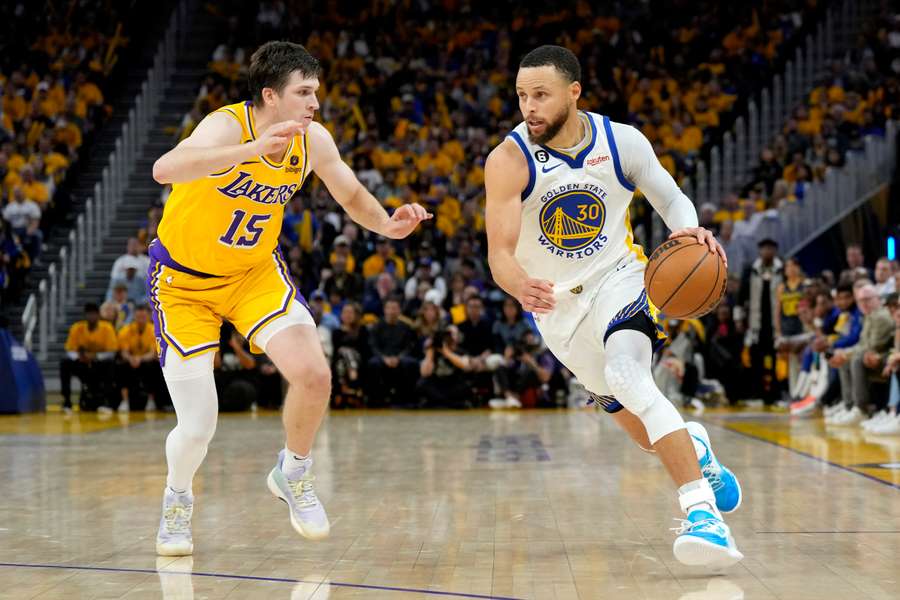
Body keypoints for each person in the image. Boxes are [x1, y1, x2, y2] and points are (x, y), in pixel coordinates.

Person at [150, 41, 430, 556]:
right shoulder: (226, 126)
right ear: (269, 96)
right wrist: (251, 151)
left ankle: (293, 471)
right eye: (304, 93)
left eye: (315, 92)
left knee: (315, 374)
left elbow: (349, 195)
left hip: (254, 274)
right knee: (197, 427)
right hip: (184, 284)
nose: (314, 104)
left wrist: (389, 225)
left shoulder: (313, 140)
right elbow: (164, 170)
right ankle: (177, 498)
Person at [484, 45, 742, 568]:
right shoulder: (507, 161)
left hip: (620, 279)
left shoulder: (620, 142)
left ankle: (702, 515)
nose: (528, 107)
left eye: (540, 95)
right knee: (647, 436)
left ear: (573, 93)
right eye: (521, 96)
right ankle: (697, 447)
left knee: (629, 375)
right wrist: (517, 284)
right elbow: (500, 254)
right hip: (557, 310)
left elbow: (670, 199)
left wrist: (688, 232)